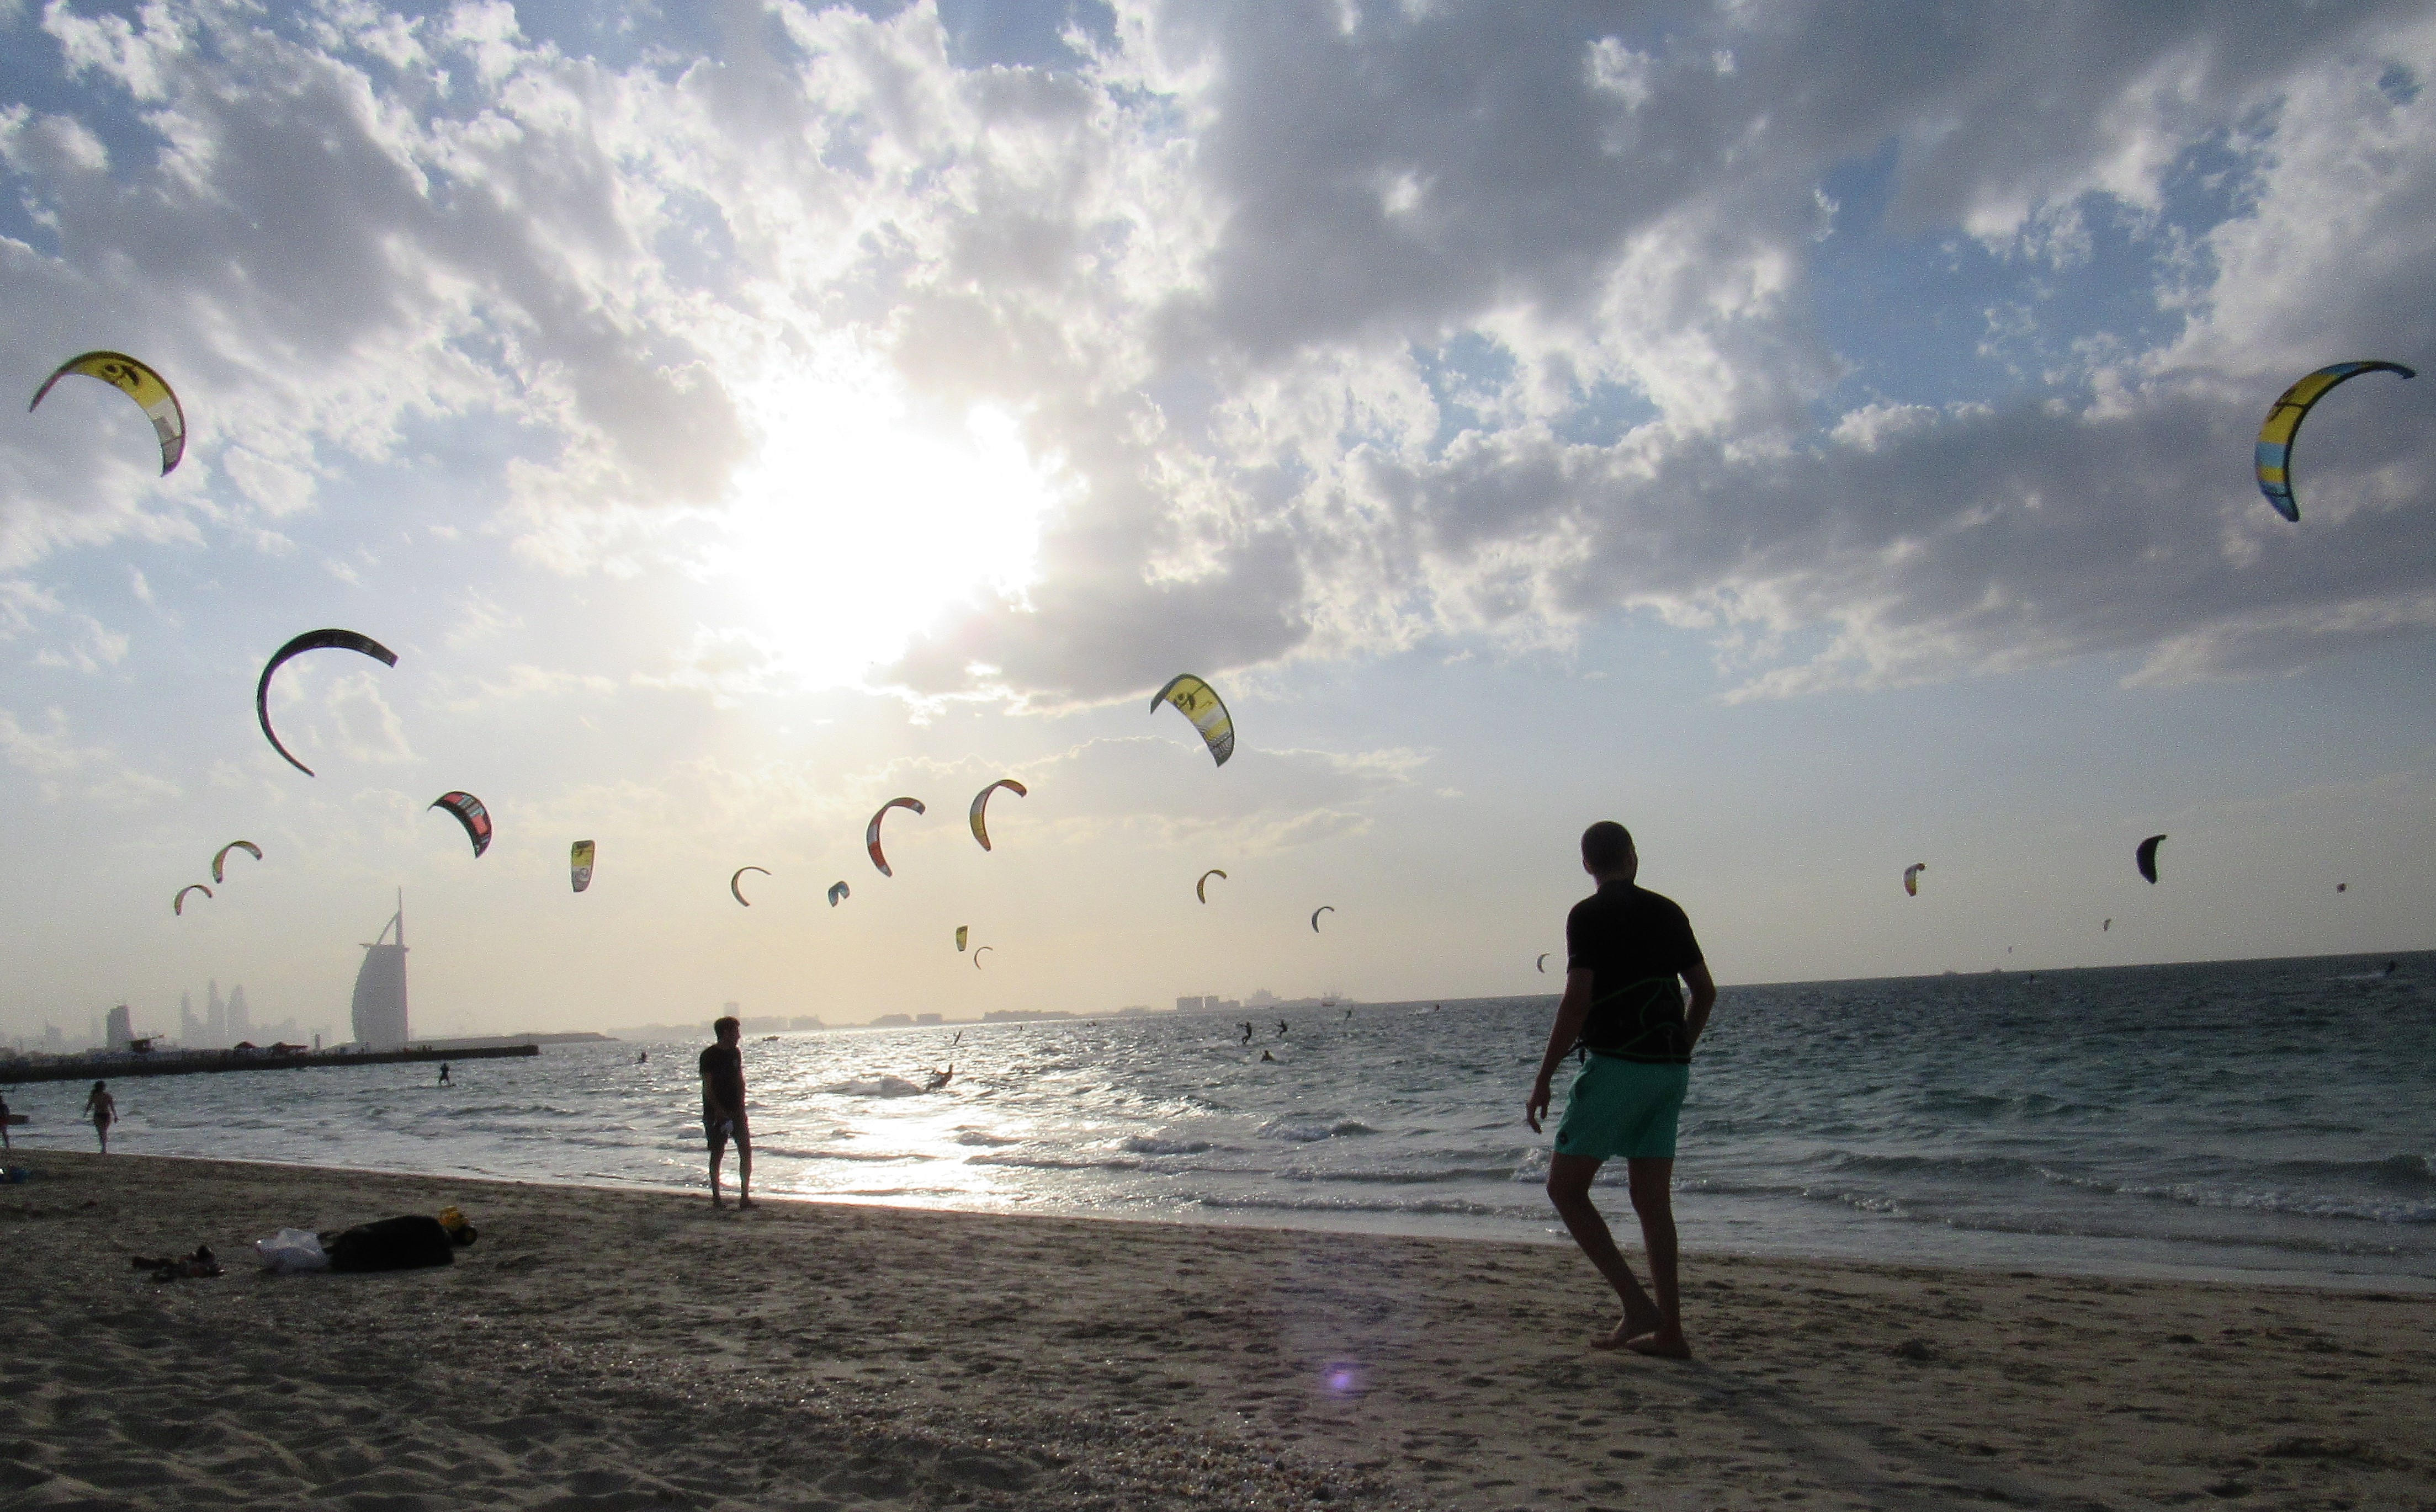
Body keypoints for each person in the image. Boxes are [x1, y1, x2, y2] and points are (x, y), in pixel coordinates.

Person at [1526, 822, 1716, 1359]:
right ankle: (1671, 1332)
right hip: (1669, 1070)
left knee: (1565, 1188)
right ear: (1633, 857)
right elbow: (1704, 991)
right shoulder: (1668, 910)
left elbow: (1576, 1001)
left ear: (1588, 864)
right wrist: (1681, 1046)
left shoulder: (1587, 916)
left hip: (1618, 1066)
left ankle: (1637, 1306)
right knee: (1652, 1202)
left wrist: (1543, 1078)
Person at [699, 1017, 753, 1209]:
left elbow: (739, 1079)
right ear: (725, 1033)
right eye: (736, 1031)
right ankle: (716, 1198)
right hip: (715, 1113)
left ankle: (745, 1197)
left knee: (746, 1151)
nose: (739, 1035)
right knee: (717, 1153)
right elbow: (708, 1086)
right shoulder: (709, 1056)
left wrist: (742, 1105)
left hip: (737, 1110)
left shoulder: (735, 1053)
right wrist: (719, 1111)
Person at [83, 1080, 116, 1153]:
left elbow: (90, 1105)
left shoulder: (97, 1096)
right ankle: (104, 1148)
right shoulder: (105, 1096)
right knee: (103, 1132)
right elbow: (112, 1107)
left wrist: (85, 1113)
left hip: (101, 1115)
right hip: (104, 1115)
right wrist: (115, 1116)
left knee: (102, 1132)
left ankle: (104, 1148)